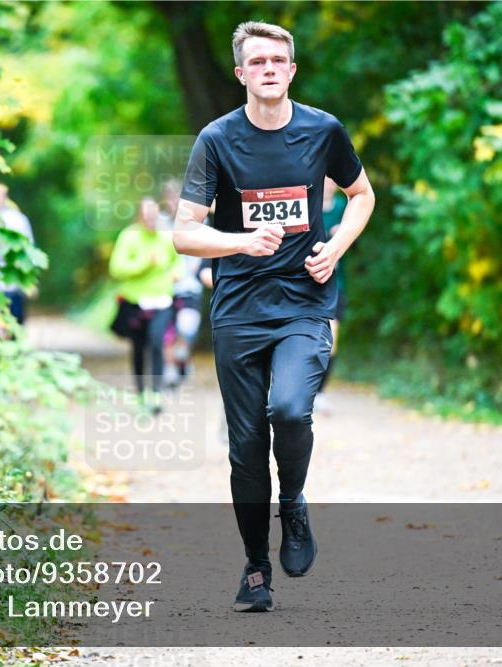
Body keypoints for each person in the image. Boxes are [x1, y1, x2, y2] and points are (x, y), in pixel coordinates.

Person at [172, 21, 375, 612]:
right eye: (256, 61)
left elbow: (362, 194)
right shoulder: (216, 140)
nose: (268, 68)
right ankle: (256, 569)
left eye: (278, 60)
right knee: (244, 445)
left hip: (305, 301)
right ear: (240, 73)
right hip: (239, 309)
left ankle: (295, 502)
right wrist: (239, 241)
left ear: (291, 70)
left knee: (289, 407)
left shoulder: (322, 130)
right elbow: (184, 234)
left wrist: (335, 247)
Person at [109, 197, 180, 412]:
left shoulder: (166, 237)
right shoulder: (129, 236)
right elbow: (117, 268)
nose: (151, 220)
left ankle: (157, 393)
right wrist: (143, 264)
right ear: (139, 216)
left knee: (158, 343)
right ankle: (141, 393)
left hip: (162, 300)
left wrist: (176, 274)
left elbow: (177, 261)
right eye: (147, 216)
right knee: (139, 348)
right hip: (135, 302)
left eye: (154, 216)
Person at [161, 178, 204, 387]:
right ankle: (169, 370)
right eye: (169, 199)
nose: (173, 203)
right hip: (165, 287)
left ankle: (182, 357)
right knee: (166, 331)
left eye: (177, 198)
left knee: (187, 328)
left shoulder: (199, 222)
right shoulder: (161, 224)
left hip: (190, 287)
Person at [314, 177, 349, 412]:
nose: (327, 184)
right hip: (307, 284)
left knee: (330, 340)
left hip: (335, 285)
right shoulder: (307, 206)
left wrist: (342, 236)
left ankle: (320, 392)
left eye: (330, 180)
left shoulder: (343, 208)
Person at [0, 182, 35, 324]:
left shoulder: (18, 220)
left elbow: (28, 251)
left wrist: (29, 281)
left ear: (4, 197)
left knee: (14, 323)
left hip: (12, 285)